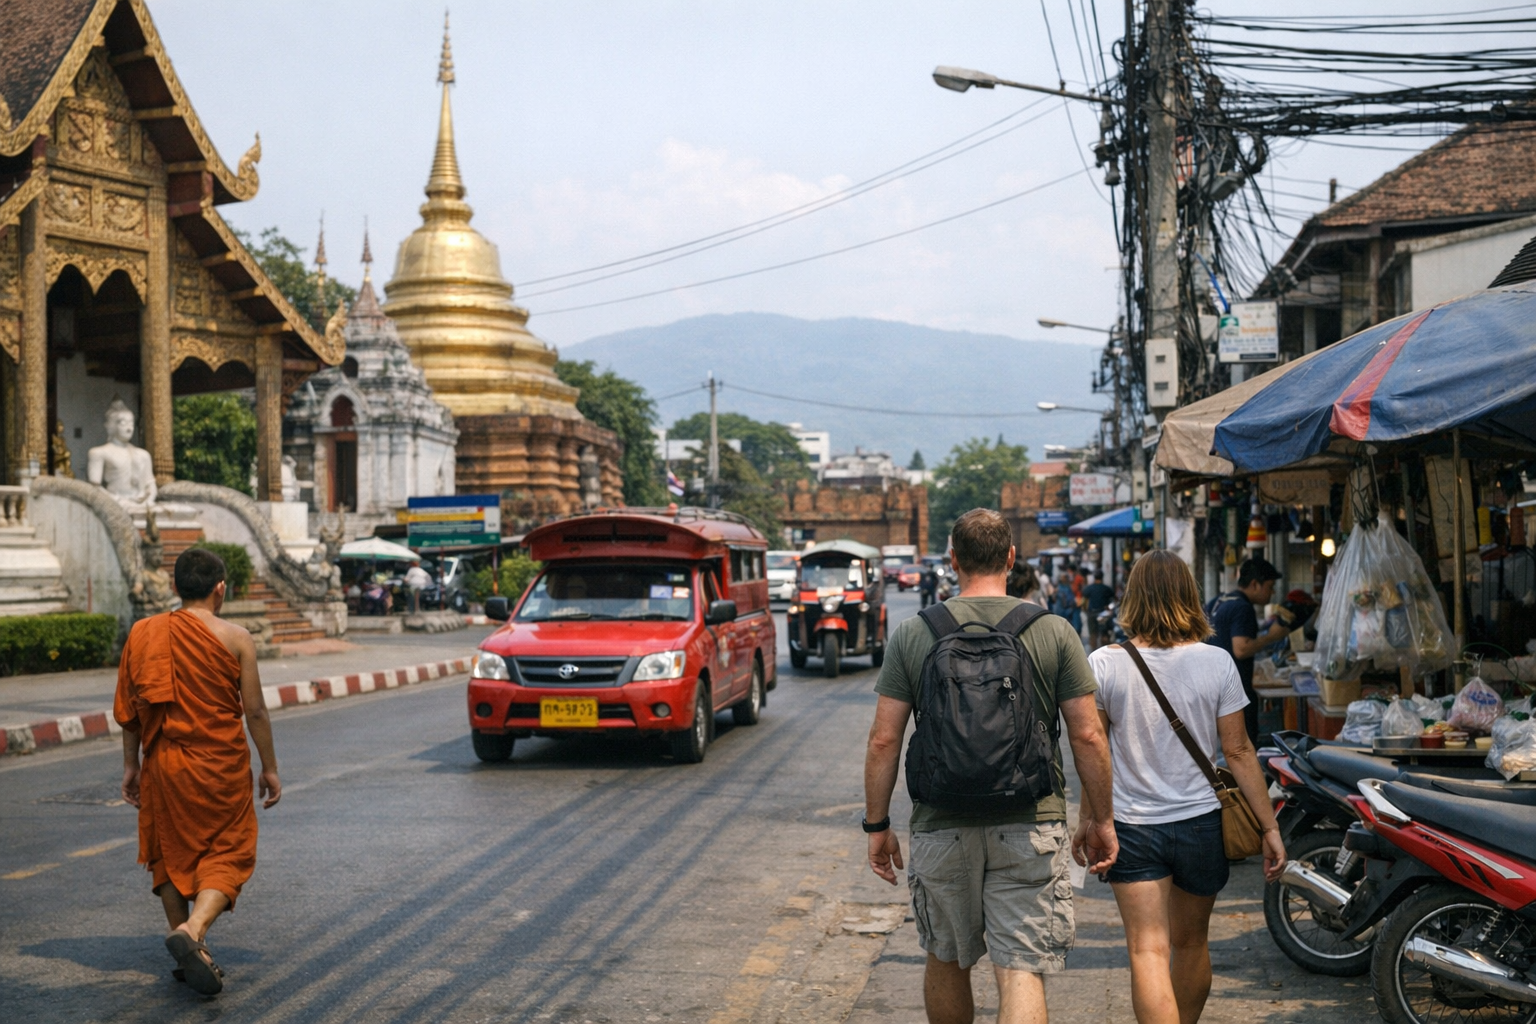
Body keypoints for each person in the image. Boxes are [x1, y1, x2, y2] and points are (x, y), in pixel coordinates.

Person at [864, 508, 1117, 1024]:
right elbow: (1088, 735)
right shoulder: (1053, 631)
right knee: (1022, 967)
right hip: (1029, 822)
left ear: (953, 560)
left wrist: (877, 826)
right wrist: (1102, 820)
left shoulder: (915, 633)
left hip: (941, 824)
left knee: (946, 959)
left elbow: (884, 739)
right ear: (1011, 557)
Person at [1083, 550, 1285, 1024]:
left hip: (1133, 826)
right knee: (1192, 943)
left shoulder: (1104, 665)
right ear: (1190, 597)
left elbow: (1096, 753)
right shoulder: (1216, 662)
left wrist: (1090, 819)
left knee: (1147, 951)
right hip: (1201, 824)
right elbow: (1238, 752)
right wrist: (1269, 827)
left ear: (1133, 598)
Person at [116, 548, 282, 996]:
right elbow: (257, 712)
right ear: (220, 589)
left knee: (167, 853)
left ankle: (190, 943)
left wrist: (131, 764)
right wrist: (269, 768)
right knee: (229, 850)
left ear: (175, 588)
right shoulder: (236, 637)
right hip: (221, 766)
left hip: (163, 765)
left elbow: (131, 709)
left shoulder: (143, 633)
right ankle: (193, 929)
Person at [1204, 558, 1309, 743]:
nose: (1273, 592)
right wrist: (1273, 636)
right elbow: (1241, 649)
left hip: (1212, 691)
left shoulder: (1218, 601)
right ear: (1255, 584)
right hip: (1235, 693)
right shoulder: (1242, 608)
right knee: (1243, 748)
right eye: (1270, 586)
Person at [1084, 571, 1116, 649]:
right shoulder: (1106, 589)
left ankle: (1093, 651)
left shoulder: (1089, 588)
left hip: (1092, 613)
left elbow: (1084, 600)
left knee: (1093, 634)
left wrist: (1086, 610)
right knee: (1104, 633)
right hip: (1103, 613)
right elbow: (1114, 599)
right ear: (1102, 577)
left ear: (1094, 578)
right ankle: (1105, 650)